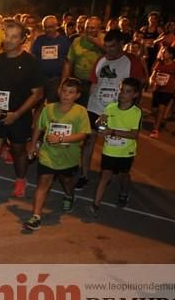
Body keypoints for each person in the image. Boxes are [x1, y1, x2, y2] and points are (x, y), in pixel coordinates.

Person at [77, 30, 146, 190]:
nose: (109, 50)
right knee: (88, 142)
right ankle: (84, 175)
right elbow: (94, 83)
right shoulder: (100, 60)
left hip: (117, 110)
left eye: (113, 47)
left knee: (114, 142)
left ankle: (113, 173)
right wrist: (88, 107)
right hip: (95, 107)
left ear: (122, 44)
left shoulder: (131, 61)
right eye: (106, 46)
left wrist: (133, 109)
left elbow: (138, 87)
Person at [0, 23, 44, 198]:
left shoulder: (31, 62)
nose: (8, 40)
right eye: (7, 35)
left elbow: (38, 94)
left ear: (23, 39)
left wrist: (17, 114)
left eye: (14, 37)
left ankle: (20, 178)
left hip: (19, 115)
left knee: (18, 151)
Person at [23, 78, 91, 231]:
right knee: (43, 183)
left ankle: (68, 195)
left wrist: (61, 138)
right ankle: (36, 216)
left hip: (68, 157)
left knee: (67, 181)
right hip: (48, 154)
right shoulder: (49, 109)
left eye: (71, 92)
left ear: (77, 95)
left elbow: (83, 135)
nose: (66, 95)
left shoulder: (80, 112)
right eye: (64, 91)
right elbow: (39, 128)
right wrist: (32, 145)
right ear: (59, 91)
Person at [88, 78, 143, 215]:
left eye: (128, 92)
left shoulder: (136, 112)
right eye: (121, 90)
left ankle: (124, 192)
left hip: (125, 152)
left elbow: (134, 134)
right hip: (109, 149)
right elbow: (102, 122)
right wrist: (100, 123)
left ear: (135, 95)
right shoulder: (110, 107)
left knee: (123, 175)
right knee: (105, 175)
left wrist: (112, 131)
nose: (123, 94)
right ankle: (95, 205)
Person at [61, 16, 104, 108]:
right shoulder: (77, 41)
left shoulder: (105, 41)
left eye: (92, 28)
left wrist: (98, 44)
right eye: (87, 27)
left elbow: (114, 54)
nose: (89, 30)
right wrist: (64, 81)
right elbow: (68, 62)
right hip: (79, 82)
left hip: (98, 83)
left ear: (99, 28)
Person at [31, 15, 71, 103]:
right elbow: (33, 58)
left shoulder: (64, 41)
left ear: (56, 26)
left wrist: (63, 82)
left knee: (52, 105)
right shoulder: (39, 40)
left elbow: (66, 63)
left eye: (51, 27)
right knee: (37, 105)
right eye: (45, 27)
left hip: (56, 80)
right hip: (40, 79)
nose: (48, 30)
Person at [149, 46, 175, 138]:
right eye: (162, 52)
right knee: (154, 110)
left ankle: (155, 130)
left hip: (167, 90)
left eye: (164, 52)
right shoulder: (159, 63)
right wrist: (152, 82)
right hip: (157, 89)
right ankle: (159, 121)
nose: (162, 54)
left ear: (171, 55)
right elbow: (152, 76)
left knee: (161, 109)